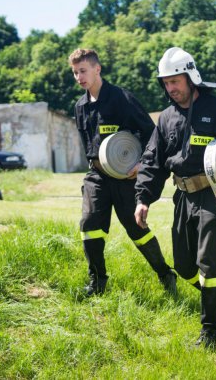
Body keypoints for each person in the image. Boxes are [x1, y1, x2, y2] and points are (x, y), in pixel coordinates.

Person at [134, 47, 216, 350]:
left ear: (191, 76)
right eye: (165, 83)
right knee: (185, 268)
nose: (171, 88)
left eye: (175, 81)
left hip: (214, 195)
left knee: (209, 264)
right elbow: (153, 161)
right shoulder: (166, 118)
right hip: (182, 197)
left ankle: (209, 334)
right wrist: (143, 199)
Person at [69, 48, 176, 297]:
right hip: (96, 175)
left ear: (97, 68)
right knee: (89, 224)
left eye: (83, 71)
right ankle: (97, 281)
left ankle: (165, 273)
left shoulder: (121, 98)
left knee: (136, 228)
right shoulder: (80, 106)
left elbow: (152, 133)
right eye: (75, 73)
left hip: (125, 175)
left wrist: (141, 162)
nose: (79, 77)